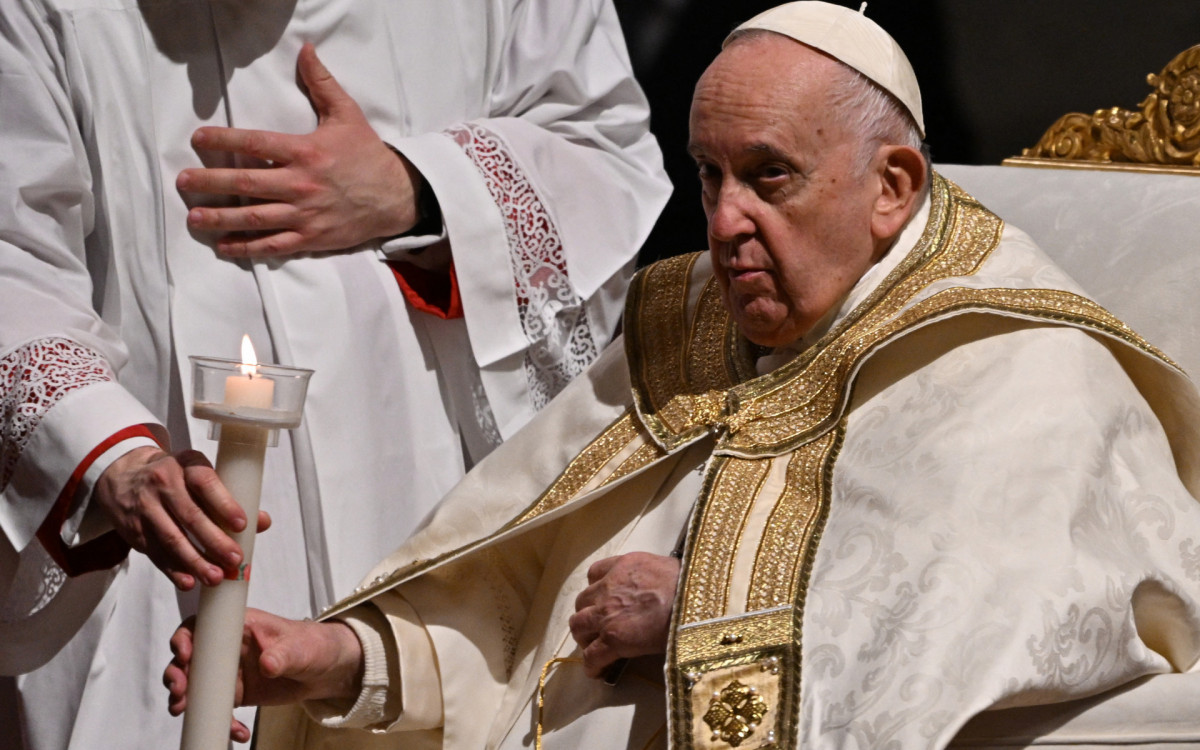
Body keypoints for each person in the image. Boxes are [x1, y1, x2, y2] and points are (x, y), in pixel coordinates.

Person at [165, 3, 1200, 748]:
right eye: (710, 175)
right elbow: (519, 607)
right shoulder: (693, 328)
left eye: (770, 175)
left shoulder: (1020, 368)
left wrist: (696, 615)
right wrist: (342, 664)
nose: (725, 220)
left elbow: (1023, 623)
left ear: (893, 187)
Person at [0, 0, 670, 747]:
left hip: (422, 496)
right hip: (148, 537)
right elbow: (10, 252)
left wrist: (419, 189)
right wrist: (107, 453)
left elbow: (607, 153)